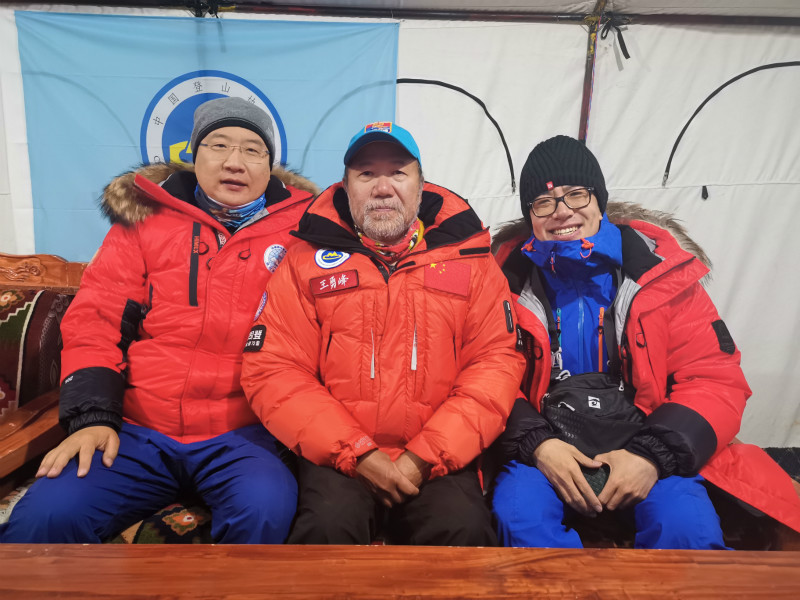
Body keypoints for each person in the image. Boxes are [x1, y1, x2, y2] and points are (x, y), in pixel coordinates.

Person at [0, 97, 318, 543]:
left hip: (245, 434)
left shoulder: (304, 233)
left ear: (269, 167)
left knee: (264, 512)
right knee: (45, 517)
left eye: (252, 150)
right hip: (140, 430)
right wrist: (92, 418)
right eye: (218, 145)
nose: (234, 162)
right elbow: (95, 321)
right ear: (193, 156)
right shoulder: (144, 221)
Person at [490, 135, 800, 548]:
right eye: (543, 203)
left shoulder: (663, 278)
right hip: (546, 448)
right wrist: (539, 446)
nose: (562, 211)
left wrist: (651, 456)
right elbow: (485, 376)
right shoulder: (500, 285)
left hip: (647, 438)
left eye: (577, 194)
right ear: (530, 216)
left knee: (686, 526)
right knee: (519, 517)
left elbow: (713, 377)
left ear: (599, 199)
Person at [241, 122, 525, 545]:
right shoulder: (304, 260)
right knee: (326, 529)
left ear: (421, 186)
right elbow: (274, 368)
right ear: (346, 187)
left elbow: (495, 364)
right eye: (366, 174)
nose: (383, 188)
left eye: (398, 172)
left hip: (438, 457)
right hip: (338, 456)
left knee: (463, 530)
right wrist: (357, 454)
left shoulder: (471, 259)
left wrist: (423, 457)